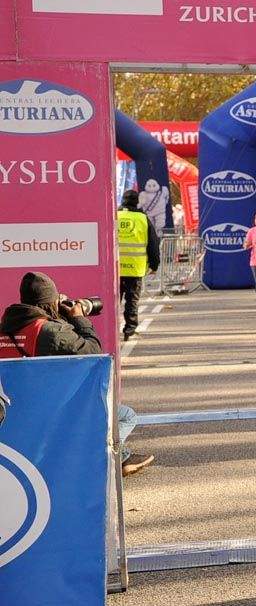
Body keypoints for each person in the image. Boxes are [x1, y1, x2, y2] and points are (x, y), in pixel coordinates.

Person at [0, 272, 154, 475]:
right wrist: (78, 317)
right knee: (126, 415)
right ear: (50, 302)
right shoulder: (49, 332)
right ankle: (103, 460)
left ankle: (123, 458)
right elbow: (92, 351)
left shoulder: (4, 330)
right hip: (54, 413)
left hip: (11, 416)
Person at [117, 189, 160, 342]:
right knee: (132, 300)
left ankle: (112, 330)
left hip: (115, 269)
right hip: (135, 268)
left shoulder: (114, 216)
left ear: (123, 200)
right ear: (137, 201)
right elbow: (153, 245)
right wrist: (155, 265)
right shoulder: (143, 219)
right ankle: (129, 329)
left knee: (114, 300)